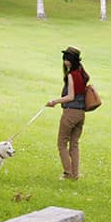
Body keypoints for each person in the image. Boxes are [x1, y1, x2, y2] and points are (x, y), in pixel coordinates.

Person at [45, 46, 89, 180]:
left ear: (72, 60)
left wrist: (54, 101)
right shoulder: (82, 72)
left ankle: (68, 173)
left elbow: (70, 96)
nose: (65, 62)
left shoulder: (72, 75)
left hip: (70, 112)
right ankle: (75, 174)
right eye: (65, 59)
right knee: (74, 144)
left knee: (62, 143)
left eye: (67, 59)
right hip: (81, 114)